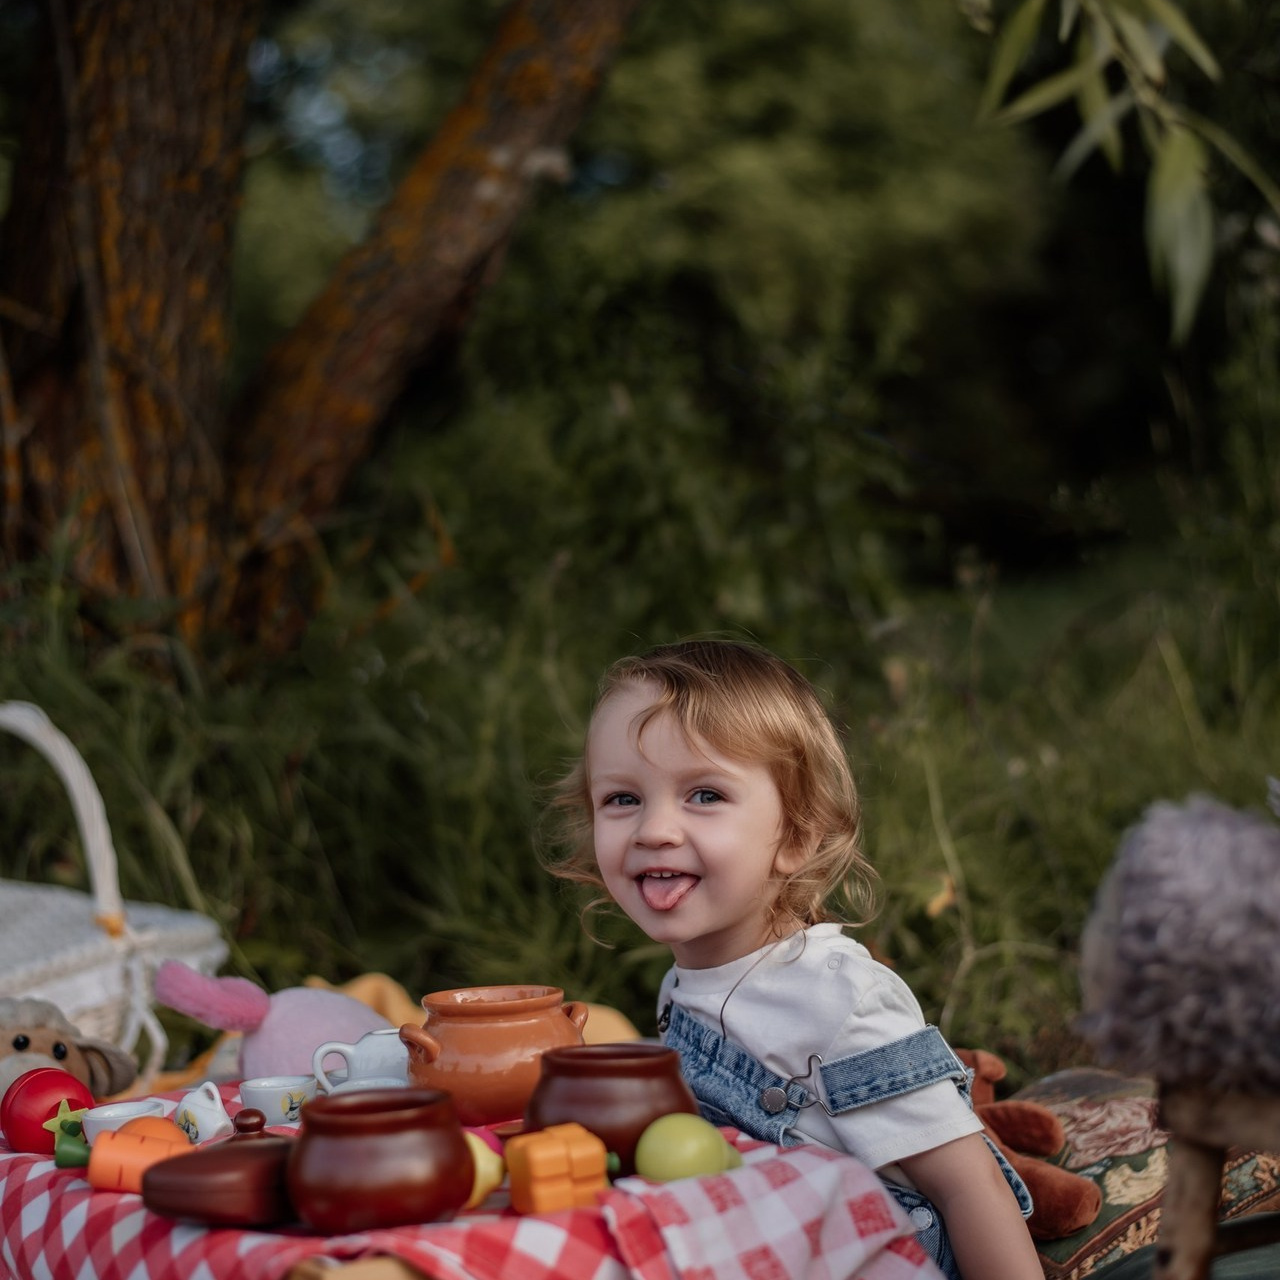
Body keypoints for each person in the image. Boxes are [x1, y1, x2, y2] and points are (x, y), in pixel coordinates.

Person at [547, 637, 1041, 1280]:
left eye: (704, 795)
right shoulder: (682, 987)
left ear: (797, 835)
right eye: (622, 799)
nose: (653, 830)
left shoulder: (837, 998)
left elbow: (968, 1186)